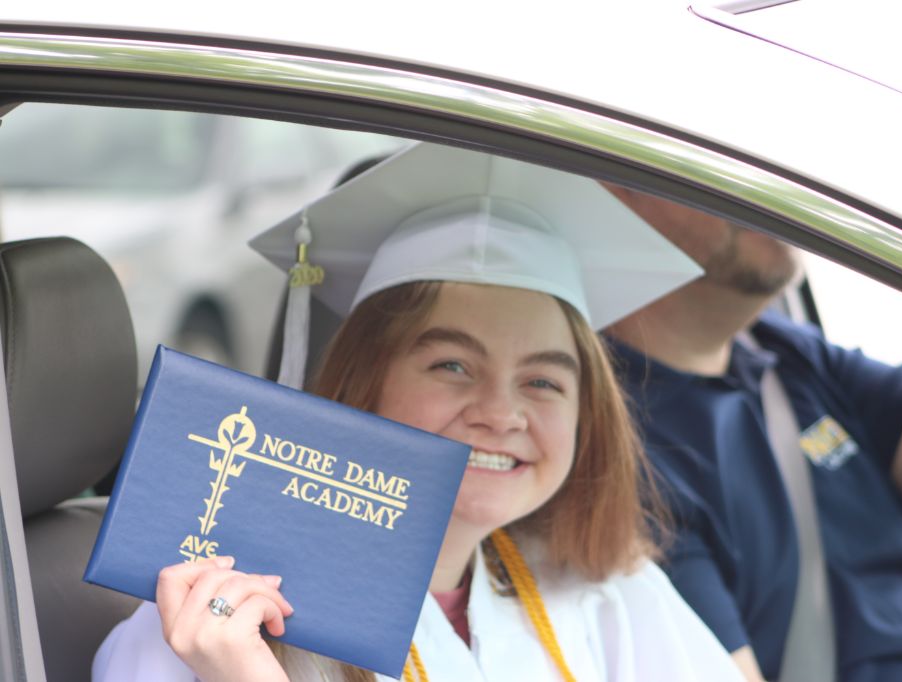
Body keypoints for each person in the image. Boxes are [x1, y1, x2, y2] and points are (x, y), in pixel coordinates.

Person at [92, 143, 745, 681]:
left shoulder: (613, 599)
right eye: (452, 366)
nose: (500, 411)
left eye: (543, 381)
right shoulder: (212, 624)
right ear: (364, 381)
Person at [601, 185, 902, 682]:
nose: (765, 187)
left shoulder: (783, 356)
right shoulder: (618, 450)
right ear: (616, 194)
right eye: (722, 166)